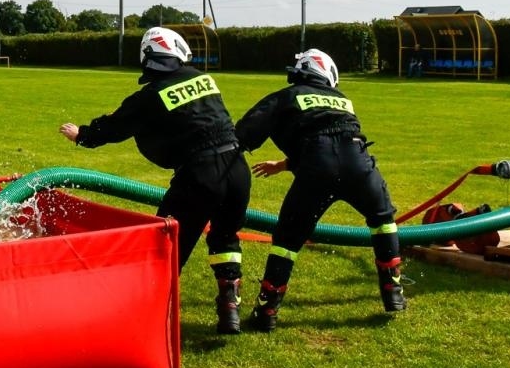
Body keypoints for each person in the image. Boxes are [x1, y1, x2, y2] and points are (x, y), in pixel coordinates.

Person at [59, 27, 250, 334]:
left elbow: (116, 126)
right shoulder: (204, 79)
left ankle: (143, 317)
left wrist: (82, 135)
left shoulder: (149, 96)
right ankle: (229, 306)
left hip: (199, 174)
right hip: (237, 170)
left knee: (165, 246)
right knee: (225, 238)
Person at [234, 49, 406, 329]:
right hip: (359, 163)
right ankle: (393, 292)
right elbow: (336, 141)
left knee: (287, 240)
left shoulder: (287, 96)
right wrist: (285, 165)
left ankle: (267, 311)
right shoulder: (342, 100)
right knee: (383, 220)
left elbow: (246, 132)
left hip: (317, 167)